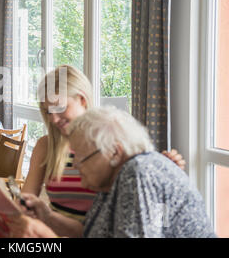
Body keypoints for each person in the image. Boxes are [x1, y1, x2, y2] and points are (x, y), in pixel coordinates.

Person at [12, 106, 216, 238]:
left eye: (82, 157)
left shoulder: (139, 172)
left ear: (114, 152)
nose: (75, 166)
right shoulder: (110, 181)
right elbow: (90, 233)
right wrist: (47, 217)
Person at [21, 65, 186, 223]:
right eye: (48, 111)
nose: (54, 119)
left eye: (59, 108)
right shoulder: (46, 145)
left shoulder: (110, 144)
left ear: (82, 100)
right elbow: (27, 199)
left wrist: (163, 171)